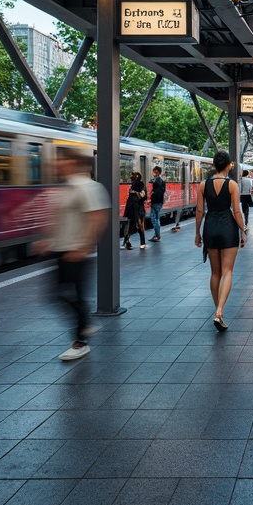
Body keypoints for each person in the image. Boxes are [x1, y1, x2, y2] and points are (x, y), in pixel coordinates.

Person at [36, 148, 109, 362]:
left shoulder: (88, 187)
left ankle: (81, 338)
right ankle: (84, 327)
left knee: (73, 295)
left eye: (61, 161)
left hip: (76, 251)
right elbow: (59, 219)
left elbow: (97, 217)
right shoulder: (64, 188)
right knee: (58, 295)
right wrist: (47, 240)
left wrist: (85, 246)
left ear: (73, 162)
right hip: (61, 249)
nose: (56, 164)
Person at [194, 150, 246, 331]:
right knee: (227, 271)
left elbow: (199, 211)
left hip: (210, 227)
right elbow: (237, 211)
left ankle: (218, 311)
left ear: (215, 165)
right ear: (228, 165)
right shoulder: (232, 185)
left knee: (215, 273)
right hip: (228, 227)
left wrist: (197, 233)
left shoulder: (203, 185)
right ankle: (220, 311)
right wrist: (243, 230)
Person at [123, 170, 147, 249]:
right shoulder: (141, 185)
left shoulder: (133, 186)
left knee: (131, 226)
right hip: (139, 208)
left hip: (133, 208)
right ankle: (142, 242)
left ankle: (126, 241)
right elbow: (144, 197)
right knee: (140, 226)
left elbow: (130, 199)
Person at [148, 166, 166, 243]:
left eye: (154, 172)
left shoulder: (157, 181)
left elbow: (157, 192)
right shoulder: (162, 181)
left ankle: (157, 235)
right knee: (156, 218)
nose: (153, 173)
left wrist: (151, 197)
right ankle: (157, 235)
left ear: (157, 172)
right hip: (159, 202)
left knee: (154, 218)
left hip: (156, 202)